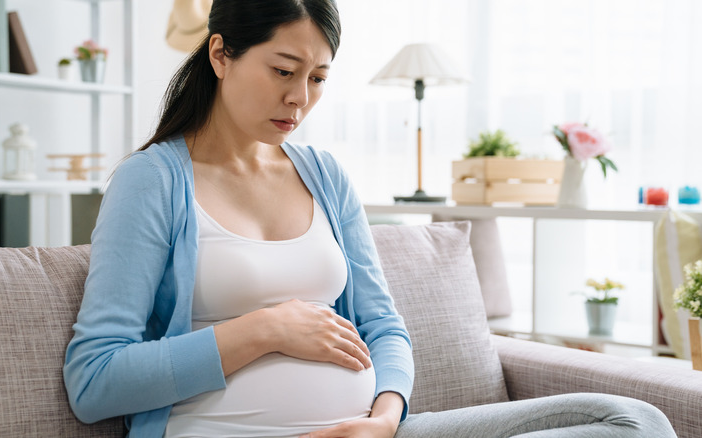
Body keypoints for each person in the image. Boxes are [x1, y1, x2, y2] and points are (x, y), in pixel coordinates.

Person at [63, 1, 677, 437]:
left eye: (318, 78)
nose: (299, 98)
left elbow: (385, 326)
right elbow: (95, 382)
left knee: (632, 421)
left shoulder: (324, 176)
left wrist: (384, 419)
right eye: (283, 70)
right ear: (221, 54)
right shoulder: (153, 181)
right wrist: (264, 329)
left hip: (372, 433)